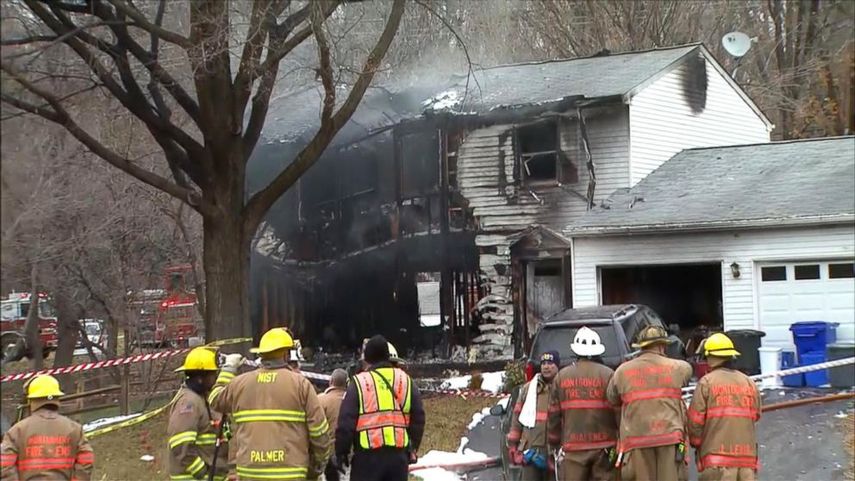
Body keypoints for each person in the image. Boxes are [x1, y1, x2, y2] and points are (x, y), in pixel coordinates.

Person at [209, 328, 331, 481]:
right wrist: (319, 463)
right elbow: (319, 432)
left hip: (250, 473)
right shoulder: (301, 385)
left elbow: (214, 399)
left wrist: (228, 368)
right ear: (286, 354)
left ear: (260, 354)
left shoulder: (240, 384)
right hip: (291, 474)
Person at [606, 325, 693, 481]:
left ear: (641, 347)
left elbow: (612, 398)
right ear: (662, 346)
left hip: (636, 440)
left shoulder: (621, 371)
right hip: (669, 438)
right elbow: (688, 372)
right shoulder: (679, 367)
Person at [334, 335, 425, 481]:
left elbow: (346, 422)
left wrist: (341, 452)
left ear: (367, 358)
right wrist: (412, 447)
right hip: (398, 459)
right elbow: (419, 417)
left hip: (367, 460)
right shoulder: (406, 380)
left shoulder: (359, 383)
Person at [688, 333, 761, 481]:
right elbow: (756, 415)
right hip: (746, 463)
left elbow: (695, 423)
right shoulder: (748, 382)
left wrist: (695, 444)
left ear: (710, 357)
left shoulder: (706, 383)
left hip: (717, 465)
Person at [548, 327, 617, 481]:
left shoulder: (561, 377)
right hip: (604, 449)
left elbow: (553, 416)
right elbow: (618, 411)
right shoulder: (609, 375)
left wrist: (553, 443)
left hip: (573, 449)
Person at [0, 375, 94, 481]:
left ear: (31, 400)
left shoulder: (16, 431)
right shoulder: (75, 429)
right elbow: (86, 460)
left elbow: (5, 466)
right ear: (57, 398)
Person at [167, 347, 229, 481]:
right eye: (213, 374)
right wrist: (203, 474)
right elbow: (181, 444)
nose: (216, 378)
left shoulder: (201, 398)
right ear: (201, 377)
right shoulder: (189, 402)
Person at [508, 351, 559, 481]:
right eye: (544, 363)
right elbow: (517, 418)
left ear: (557, 366)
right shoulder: (528, 389)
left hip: (555, 452)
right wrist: (513, 445)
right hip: (531, 452)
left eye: (550, 363)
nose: (546, 367)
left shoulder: (562, 389)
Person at [318, 369, 348, 481]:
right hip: (348, 453)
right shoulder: (353, 400)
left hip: (326, 453)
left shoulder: (320, 400)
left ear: (331, 381)